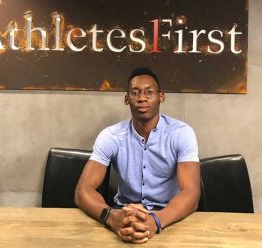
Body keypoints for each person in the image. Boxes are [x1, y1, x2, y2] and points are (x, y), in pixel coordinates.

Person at [75, 67, 200, 244]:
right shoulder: (111, 136)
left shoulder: (181, 133)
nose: (142, 98)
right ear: (126, 99)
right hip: (124, 215)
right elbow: (83, 191)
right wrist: (112, 217)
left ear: (161, 97)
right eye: (135, 92)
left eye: (149, 92)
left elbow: (192, 193)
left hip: (169, 216)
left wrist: (156, 221)